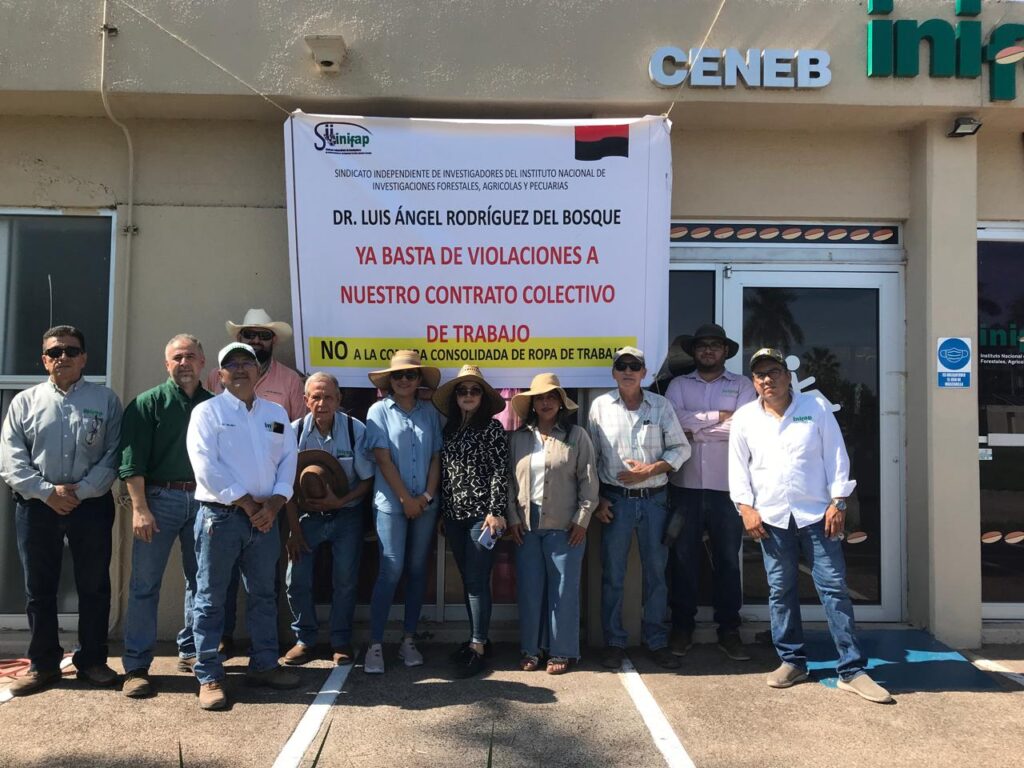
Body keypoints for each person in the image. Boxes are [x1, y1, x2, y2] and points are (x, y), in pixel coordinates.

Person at [729, 347, 892, 704]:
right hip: (770, 519)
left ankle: (851, 669)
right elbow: (738, 469)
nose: (767, 380)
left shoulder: (815, 409)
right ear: (754, 382)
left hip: (817, 515)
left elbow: (836, 457)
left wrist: (839, 502)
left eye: (773, 372)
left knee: (833, 587)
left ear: (788, 376)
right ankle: (792, 661)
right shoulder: (744, 418)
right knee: (780, 590)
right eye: (760, 375)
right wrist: (745, 508)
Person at [0, 325, 123, 696]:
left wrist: (81, 492)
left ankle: (93, 661)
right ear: (44, 360)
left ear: (84, 357)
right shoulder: (25, 402)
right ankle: (43, 664)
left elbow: (113, 454)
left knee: (94, 586)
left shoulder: (106, 401)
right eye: (55, 352)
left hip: (91, 506)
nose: (63, 358)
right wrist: (46, 492)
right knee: (39, 588)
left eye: (71, 351)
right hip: (37, 507)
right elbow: (10, 457)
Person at [186, 342, 300, 710]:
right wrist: (250, 504)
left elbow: (288, 460)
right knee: (210, 599)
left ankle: (264, 664)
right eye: (230, 365)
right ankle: (209, 675)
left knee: (264, 595)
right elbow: (205, 466)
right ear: (219, 375)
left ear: (257, 371)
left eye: (246, 363)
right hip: (222, 518)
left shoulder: (277, 412)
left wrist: (277, 502)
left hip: (266, 518)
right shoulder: (207, 412)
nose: (239, 369)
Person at [206, 308, 305, 656]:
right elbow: (208, 458)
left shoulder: (289, 384)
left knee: (265, 585)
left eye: (263, 336)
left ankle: (266, 656)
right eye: (250, 335)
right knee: (219, 585)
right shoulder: (210, 401)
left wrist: (275, 502)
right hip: (224, 510)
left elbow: (292, 447)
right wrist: (246, 503)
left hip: (270, 510)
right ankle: (220, 645)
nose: (257, 341)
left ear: (272, 341)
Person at [119, 334, 213, 698]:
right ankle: (137, 666)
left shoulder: (213, 405)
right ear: (167, 364)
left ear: (202, 362)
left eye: (190, 356)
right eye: (177, 357)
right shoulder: (147, 404)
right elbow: (131, 463)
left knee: (200, 582)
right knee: (145, 585)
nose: (184, 363)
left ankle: (190, 653)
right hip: (159, 500)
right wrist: (140, 509)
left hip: (204, 502)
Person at [588, 346, 690, 670]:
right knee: (613, 575)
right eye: (622, 365)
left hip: (656, 500)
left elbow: (681, 448)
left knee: (656, 574)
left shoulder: (661, 405)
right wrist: (597, 500)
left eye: (635, 366)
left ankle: (657, 641)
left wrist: (651, 469)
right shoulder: (600, 407)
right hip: (614, 502)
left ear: (645, 373)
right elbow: (590, 461)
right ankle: (615, 643)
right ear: (614, 372)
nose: (628, 371)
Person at [664, 323, 756, 660]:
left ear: (724, 351)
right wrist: (718, 418)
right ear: (693, 350)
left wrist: (696, 429)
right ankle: (682, 627)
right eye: (702, 345)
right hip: (684, 488)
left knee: (728, 562)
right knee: (684, 561)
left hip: (727, 489)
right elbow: (673, 423)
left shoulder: (743, 385)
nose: (708, 351)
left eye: (715, 345)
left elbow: (743, 426)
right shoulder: (677, 385)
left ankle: (729, 630)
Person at [508, 373, 598, 675]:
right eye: (540, 398)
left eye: (551, 397)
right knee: (531, 590)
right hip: (526, 525)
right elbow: (509, 482)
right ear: (532, 404)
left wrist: (583, 520)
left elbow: (589, 482)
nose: (546, 402)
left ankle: (561, 651)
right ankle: (531, 649)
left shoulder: (577, 436)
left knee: (564, 591)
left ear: (561, 403)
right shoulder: (518, 438)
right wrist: (511, 517)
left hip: (566, 525)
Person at [281, 372, 373, 667]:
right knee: (296, 580)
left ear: (339, 399)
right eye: (316, 397)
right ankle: (304, 639)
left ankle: (340, 640)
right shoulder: (292, 433)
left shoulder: (355, 429)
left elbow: (367, 481)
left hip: (347, 514)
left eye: (328, 396)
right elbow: (285, 487)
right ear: (306, 400)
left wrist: (340, 501)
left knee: (345, 580)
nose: (322, 403)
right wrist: (293, 531)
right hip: (305, 517)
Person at [363, 350, 442, 675]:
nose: (405, 380)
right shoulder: (378, 411)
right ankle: (376, 644)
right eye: (399, 376)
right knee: (390, 571)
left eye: (411, 375)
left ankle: (409, 639)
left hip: (425, 503)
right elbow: (382, 458)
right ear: (390, 381)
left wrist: (424, 496)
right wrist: (405, 500)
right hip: (390, 505)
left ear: (419, 379)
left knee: (417, 570)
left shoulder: (430, 413)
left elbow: (437, 456)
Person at [433, 365, 509, 678]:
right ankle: (480, 639)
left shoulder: (492, 429)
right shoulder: (448, 429)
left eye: (474, 391)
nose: (467, 395)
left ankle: (478, 646)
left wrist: (495, 510)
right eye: (462, 391)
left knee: (477, 582)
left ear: (483, 397)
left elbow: (500, 472)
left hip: (481, 517)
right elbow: (445, 475)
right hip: (453, 516)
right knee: (468, 580)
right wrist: (441, 512)